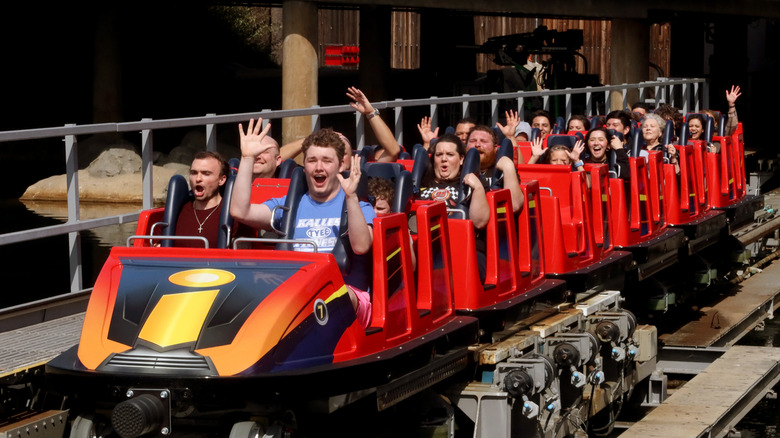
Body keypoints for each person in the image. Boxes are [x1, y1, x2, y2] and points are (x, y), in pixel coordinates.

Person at [231, 122, 376, 328]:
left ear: (340, 165)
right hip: (295, 292)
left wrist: (351, 197)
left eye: (327, 161)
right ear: (304, 165)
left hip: (347, 293)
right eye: (312, 160)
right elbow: (240, 211)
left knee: (327, 301)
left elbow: (361, 246)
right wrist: (247, 159)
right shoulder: (289, 205)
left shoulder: (359, 205)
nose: (319, 167)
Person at [418, 133, 490, 282]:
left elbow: (480, 222)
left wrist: (477, 188)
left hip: (464, 247)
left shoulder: (472, 183)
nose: (444, 159)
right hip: (425, 244)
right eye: (439, 155)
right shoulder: (422, 184)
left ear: (461, 159)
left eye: (450, 154)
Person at [173, 151, 229, 248]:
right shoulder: (177, 210)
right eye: (194, 173)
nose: (198, 179)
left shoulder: (232, 213)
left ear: (221, 180)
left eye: (206, 173)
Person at [466, 125, 525, 213]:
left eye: (484, 141)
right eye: (472, 141)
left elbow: (515, 206)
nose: (477, 145)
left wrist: (508, 168)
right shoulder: (458, 171)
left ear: (495, 148)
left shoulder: (503, 171)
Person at [368, 176, 416, 269]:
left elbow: (412, 267)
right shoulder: (362, 227)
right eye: (370, 208)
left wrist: (403, 238)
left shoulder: (399, 230)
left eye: (380, 209)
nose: (374, 212)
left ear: (391, 210)